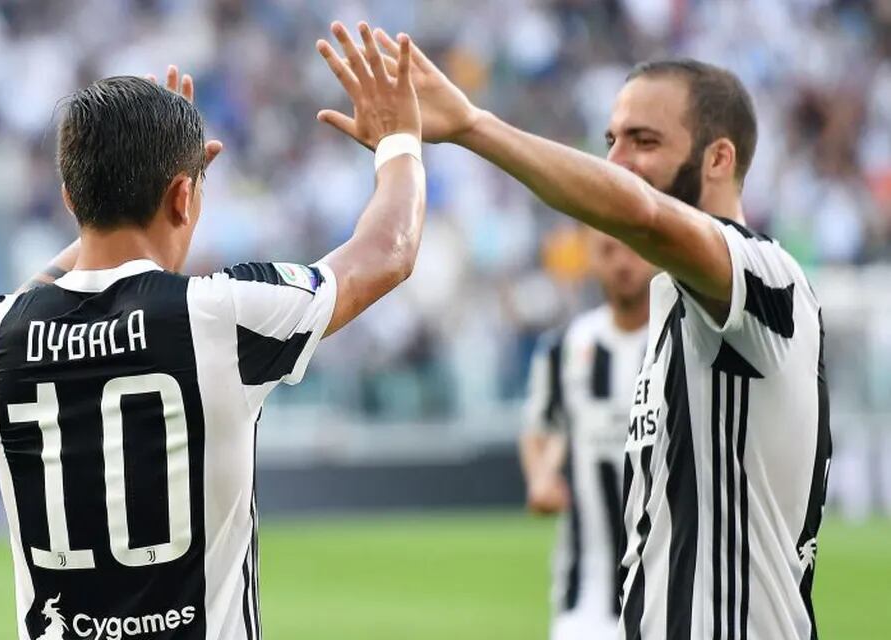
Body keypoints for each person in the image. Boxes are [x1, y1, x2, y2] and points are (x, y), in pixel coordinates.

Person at [322, 26, 832, 639]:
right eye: (611, 141)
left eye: (644, 141)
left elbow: (642, 212)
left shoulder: (765, 275)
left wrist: (473, 127)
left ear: (719, 158)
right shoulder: (668, 302)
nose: (617, 163)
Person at [0, 30, 424, 640]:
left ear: (71, 199)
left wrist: (131, 180)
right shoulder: (222, 316)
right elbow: (388, 252)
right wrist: (400, 140)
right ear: (184, 196)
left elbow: (40, 294)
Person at [521, 229, 653, 640]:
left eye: (633, 248)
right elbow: (541, 428)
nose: (622, 262)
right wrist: (540, 478)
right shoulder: (566, 347)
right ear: (591, 258)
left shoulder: (681, 342)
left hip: (670, 588)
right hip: (585, 594)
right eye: (608, 250)